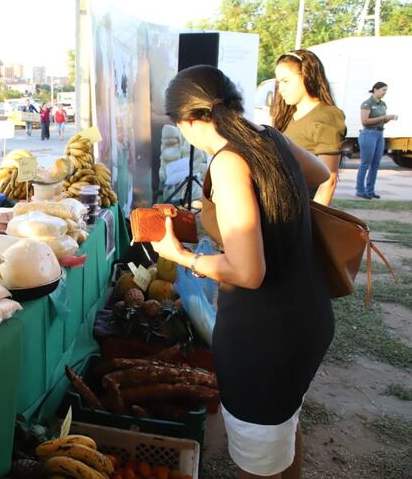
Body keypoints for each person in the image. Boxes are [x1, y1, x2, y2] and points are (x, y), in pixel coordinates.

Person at [154, 65, 333, 479]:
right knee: (283, 427)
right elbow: (320, 174)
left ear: (192, 120)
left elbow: (248, 272)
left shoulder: (228, 163)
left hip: (265, 342)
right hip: (307, 317)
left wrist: (180, 256)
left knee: (259, 455)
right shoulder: (269, 138)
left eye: (179, 124)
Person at [271, 50, 346, 206]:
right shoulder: (288, 115)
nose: (281, 89)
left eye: (286, 81)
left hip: (304, 209)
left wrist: (313, 221)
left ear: (307, 76)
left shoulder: (327, 116)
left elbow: (329, 179)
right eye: (279, 82)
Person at [355, 81, 397, 199]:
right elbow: (364, 121)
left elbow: (382, 120)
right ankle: (360, 190)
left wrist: (388, 118)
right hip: (368, 133)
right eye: (383, 90)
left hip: (379, 133)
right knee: (365, 163)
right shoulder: (367, 104)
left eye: (386, 90)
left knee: (375, 164)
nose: (385, 93)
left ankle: (370, 190)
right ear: (375, 89)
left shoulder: (383, 104)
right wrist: (383, 117)